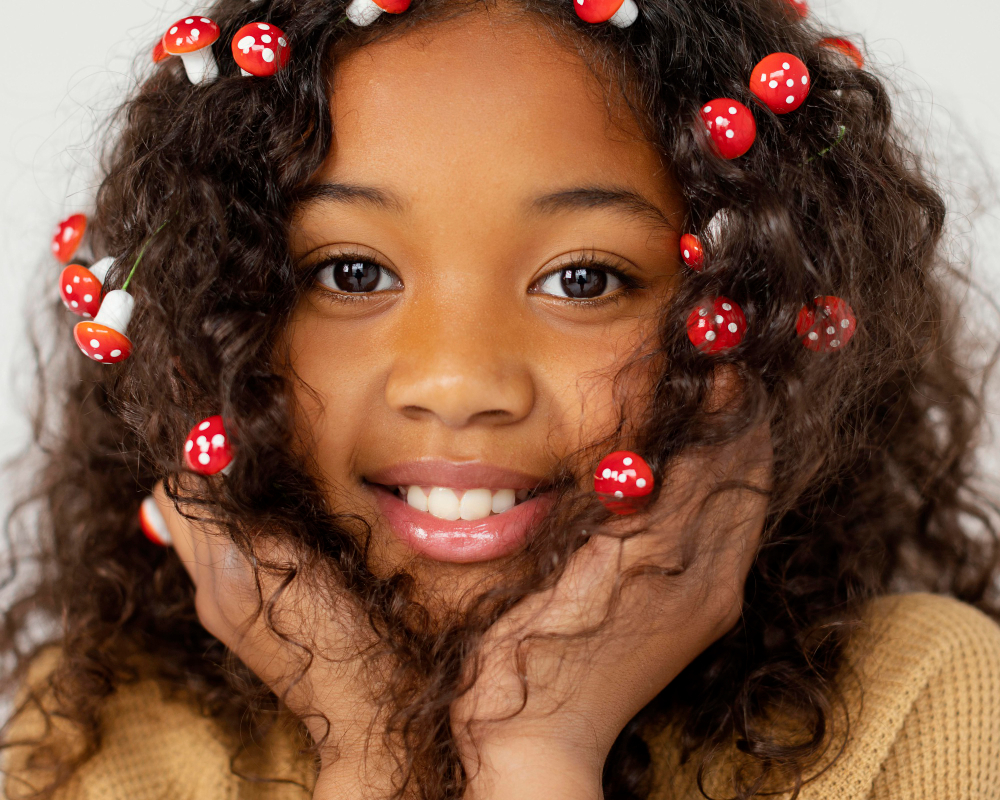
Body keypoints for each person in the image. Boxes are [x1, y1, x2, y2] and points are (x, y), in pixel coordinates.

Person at [1, 0, 998, 798]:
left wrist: (535, 756)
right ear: (210, 322)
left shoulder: (920, 704)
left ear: (760, 315)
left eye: (581, 279)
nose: (458, 382)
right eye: (350, 272)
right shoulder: (107, 744)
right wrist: (369, 757)